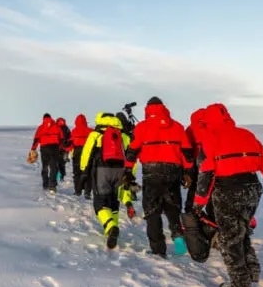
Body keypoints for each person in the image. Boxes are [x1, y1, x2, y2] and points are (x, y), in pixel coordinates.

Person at [192, 103, 263, 287]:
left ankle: (241, 285)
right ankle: (252, 270)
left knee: (230, 238)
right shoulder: (246, 134)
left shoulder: (210, 138)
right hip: (252, 188)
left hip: (227, 189)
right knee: (242, 230)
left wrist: (199, 203)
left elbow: (206, 173)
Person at [122, 97, 193, 257]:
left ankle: (158, 249)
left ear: (148, 109)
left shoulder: (141, 128)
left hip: (151, 171)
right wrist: (188, 172)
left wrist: (127, 170)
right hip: (173, 171)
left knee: (152, 211)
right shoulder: (177, 126)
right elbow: (187, 152)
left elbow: (132, 151)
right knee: (172, 206)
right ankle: (178, 235)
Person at [79, 112, 130, 249]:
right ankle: (112, 228)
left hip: (101, 170)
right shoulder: (123, 136)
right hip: (119, 171)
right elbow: (129, 155)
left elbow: (86, 153)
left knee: (100, 202)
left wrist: (83, 171)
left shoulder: (95, 135)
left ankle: (110, 227)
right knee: (113, 201)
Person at [180, 107, 218, 262]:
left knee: (193, 202)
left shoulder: (190, 129)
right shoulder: (212, 127)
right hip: (216, 168)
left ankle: (194, 233)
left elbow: (185, 149)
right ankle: (215, 231)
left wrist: (186, 171)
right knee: (214, 202)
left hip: (196, 169)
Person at [29, 113, 64, 193]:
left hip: (44, 148)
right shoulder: (57, 127)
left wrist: (33, 149)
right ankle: (52, 186)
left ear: (43, 118)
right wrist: (60, 148)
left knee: (45, 166)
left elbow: (36, 139)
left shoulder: (40, 127)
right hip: (54, 148)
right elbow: (61, 139)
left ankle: (45, 184)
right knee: (53, 167)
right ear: (50, 118)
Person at [69, 114, 93, 198]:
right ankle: (87, 191)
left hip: (77, 152)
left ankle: (77, 191)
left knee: (77, 172)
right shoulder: (90, 131)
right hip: (88, 152)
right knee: (88, 172)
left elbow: (71, 143)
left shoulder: (74, 131)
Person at [56, 117, 72, 183]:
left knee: (56, 163)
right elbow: (70, 138)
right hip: (64, 148)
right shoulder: (66, 128)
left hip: (57, 148)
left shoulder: (55, 127)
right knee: (62, 163)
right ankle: (61, 176)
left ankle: (57, 176)